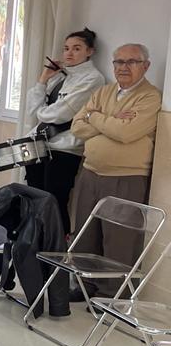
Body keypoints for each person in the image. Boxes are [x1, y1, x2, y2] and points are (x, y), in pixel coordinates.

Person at [70, 43, 161, 297]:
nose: (123, 67)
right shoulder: (103, 92)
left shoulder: (150, 96)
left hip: (126, 177)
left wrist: (94, 118)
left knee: (119, 240)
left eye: (131, 62)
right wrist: (108, 119)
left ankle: (113, 295)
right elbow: (77, 127)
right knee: (85, 235)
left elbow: (126, 132)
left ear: (146, 66)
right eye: (118, 62)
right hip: (90, 173)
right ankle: (84, 287)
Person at [24, 27, 106, 235]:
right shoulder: (62, 77)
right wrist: (43, 79)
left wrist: (43, 111)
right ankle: (35, 246)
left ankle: (57, 249)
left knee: (54, 201)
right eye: (66, 48)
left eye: (77, 48)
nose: (69, 53)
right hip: (39, 144)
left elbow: (58, 115)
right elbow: (33, 109)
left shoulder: (93, 79)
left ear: (90, 51)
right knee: (34, 199)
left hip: (65, 149)